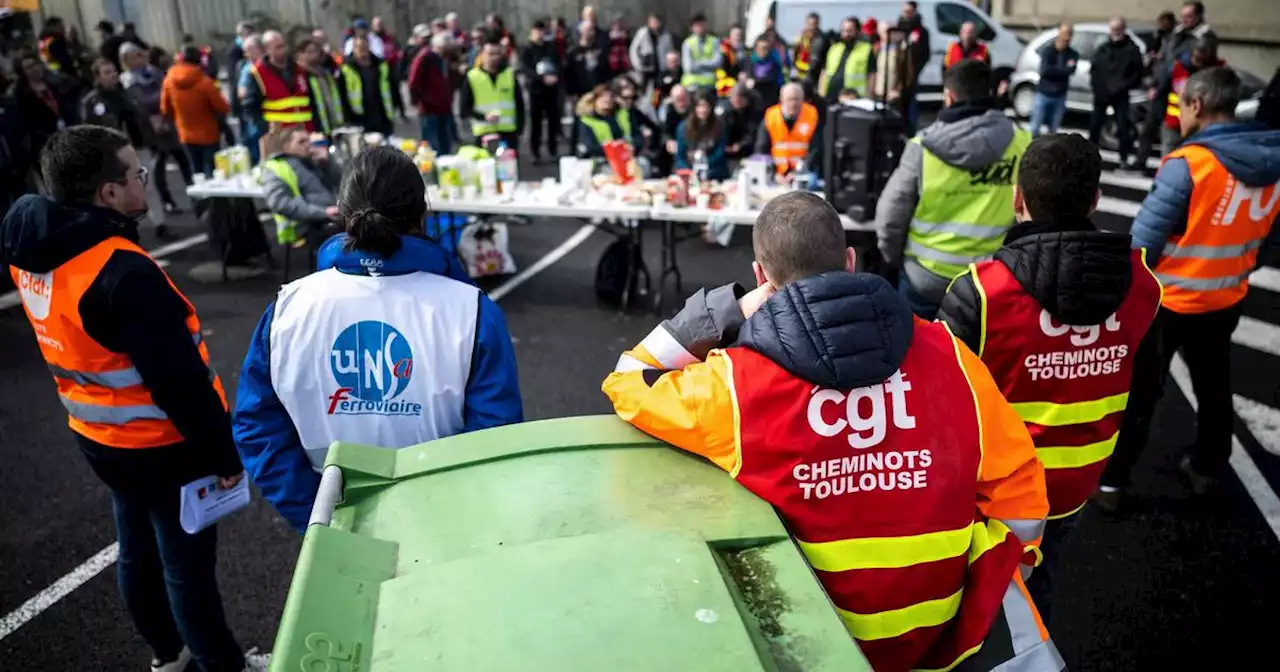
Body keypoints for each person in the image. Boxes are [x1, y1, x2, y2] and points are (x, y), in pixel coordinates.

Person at [602, 190, 1055, 672]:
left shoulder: (732, 386)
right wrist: (989, 584)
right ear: (850, 260)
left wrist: (730, 310)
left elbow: (629, 376)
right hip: (940, 638)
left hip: (813, 646)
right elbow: (1021, 489)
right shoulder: (952, 357)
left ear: (761, 276)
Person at [0, 125, 245, 672]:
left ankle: (166, 653)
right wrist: (223, 456)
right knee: (186, 571)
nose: (145, 182)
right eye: (136, 174)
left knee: (136, 550)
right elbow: (178, 382)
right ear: (107, 194)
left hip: (99, 438)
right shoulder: (123, 271)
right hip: (165, 446)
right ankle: (220, 665)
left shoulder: (34, 251)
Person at [234, 146, 523, 532]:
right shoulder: (472, 311)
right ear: (423, 212)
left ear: (340, 210)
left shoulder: (287, 308)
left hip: (330, 518)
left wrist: (314, 514)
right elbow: (495, 438)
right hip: (444, 522)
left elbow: (257, 427)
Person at [937, 134, 1161, 622]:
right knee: (1043, 584)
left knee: (974, 595)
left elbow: (940, 405)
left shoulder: (981, 291)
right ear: (1096, 200)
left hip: (994, 490)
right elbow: (1146, 392)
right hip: (1079, 478)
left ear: (1018, 200)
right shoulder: (1144, 285)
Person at [1097, 67, 1280, 511]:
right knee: (1215, 385)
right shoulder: (1271, 161)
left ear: (1196, 105)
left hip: (1170, 300)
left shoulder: (1190, 164)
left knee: (1143, 393)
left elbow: (1143, 242)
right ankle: (1208, 467)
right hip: (1226, 297)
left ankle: (1113, 482)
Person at [875, 59, 1030, 319]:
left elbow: (891, 215)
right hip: (989, 279)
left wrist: (894, 259)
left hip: (925, 276)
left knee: (917, 353)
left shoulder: (922, 147)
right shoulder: (1022, 143)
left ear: (949, 95)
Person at [121, 42, 192, 223]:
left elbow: (166, 91)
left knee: (182, 157)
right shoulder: (128, 80)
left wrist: (164, 111)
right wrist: (157, 108)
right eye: (135, 55)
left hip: (166, 120)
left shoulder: (154, 72)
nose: (141, 57)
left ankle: (194, 192)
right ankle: (167, 200)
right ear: (126, 61)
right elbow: (140, 101)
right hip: (149, 126)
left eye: (141, 53)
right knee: (158, 164)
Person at [260, 124, 341, 246]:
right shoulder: (276, 168)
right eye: (301, 142)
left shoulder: (311, 161)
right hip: (306, 224)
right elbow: (281, 204)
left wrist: (328, 163)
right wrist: (324, 212)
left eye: (308, 140)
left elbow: (342, 181)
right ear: (287, 146)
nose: (308, 145)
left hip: (331, 215)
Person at [160, 46, 230, 178]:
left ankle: (198, 198)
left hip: (185, 134)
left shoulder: (168, 80)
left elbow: (165, 108)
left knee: (196, 171)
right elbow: (223, 108)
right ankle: (215, 198)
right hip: (209, 134)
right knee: (213, 171)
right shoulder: (205, 82)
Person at [1089, 18, 1144, 171]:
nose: (1115, 33)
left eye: (1118, 29)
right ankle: (1089, 157)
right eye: (1113, 30)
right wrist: (1098, 88)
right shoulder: (1103, 48)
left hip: (1120, 94)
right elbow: (1094, 70)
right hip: (1102, 94)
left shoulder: (1131, 49)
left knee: (1123, 127)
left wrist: (1122, 86)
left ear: (1124, 29)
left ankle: (1123, 158)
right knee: (1095, 126)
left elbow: (1137, 73)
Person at [460, 35, 525, 148]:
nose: (494, 57)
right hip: (484, 132)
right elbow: (464, 109)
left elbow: (519, 104)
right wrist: (484, 116)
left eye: (497, 53)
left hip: (508, 132)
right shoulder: (472, 76)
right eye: (490, 54)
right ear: (482, 55)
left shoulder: (509, 74)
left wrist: (519, 129)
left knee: (509, 165)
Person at [244, 31, 315, 133]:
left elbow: (311, 99)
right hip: (280, 136)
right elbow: (250, 108)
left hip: (307, 131)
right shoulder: (258, 74)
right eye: (278, 47)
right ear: (267, 50)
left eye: (284, 46)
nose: (284, 50)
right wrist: (265, 128)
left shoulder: (299, 69)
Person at [340, 34, 400, 137]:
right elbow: (342, 95)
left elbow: (393, 87)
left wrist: (397, 106)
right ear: (353, 48)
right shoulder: (346, 68)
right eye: (358, 47)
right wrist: (347, 118)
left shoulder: (381, 65)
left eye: (364, 46)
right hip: (360, 118)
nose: (362, 50)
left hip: (382, 116)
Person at [755, 82, 819, 179]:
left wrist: (798, 172)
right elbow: (762, 148)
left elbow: (816, 148)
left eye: (797, 99)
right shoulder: (771, 116)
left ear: (802, 100)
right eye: (790, 99)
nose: (793, 103)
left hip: (802, 172)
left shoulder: (812, 115)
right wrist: (774, 173)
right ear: (782, 100)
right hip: (776, 172)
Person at [80, 58, 145, 148]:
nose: (113, 75)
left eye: (114, 71)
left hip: (133, 147)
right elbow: (88, 130)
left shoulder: (127, 95)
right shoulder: (91, 101)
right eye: (107, 72)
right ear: (98, 77)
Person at [521, 21, 562, 164]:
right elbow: (525, 69)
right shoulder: (527, 49)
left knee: (553, 122)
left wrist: (555, 76)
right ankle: (535, 152)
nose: (540, 34)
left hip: (551, 90)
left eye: (542, 31)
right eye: (537, 31)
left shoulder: (550, 47)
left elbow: (557, 63)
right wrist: (541, 78)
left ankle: (553, 150)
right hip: (535, 90)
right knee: (536, 123)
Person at [410, 32, 457, 154]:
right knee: (431, 145)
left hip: (444, 107)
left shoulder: (445, 59)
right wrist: (417, 100)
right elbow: (414, 80)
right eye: (446, 48)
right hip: (428, 108)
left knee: (445, 143)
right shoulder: (425, 57)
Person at [1029, 23, 1078, 137]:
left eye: (1070, 34)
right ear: (1059, 34)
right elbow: (1045, 71)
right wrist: (1062, 70)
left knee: (1053, 130)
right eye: (1065, 34)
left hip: (1060, 95)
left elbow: (1071, 71)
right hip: (1044, 93)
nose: (1067, 37)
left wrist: (1057, 71)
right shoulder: (1048, 51)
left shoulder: (1072, 54)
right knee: (1035, 128)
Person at [817, 17, 875, 103]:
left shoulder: (866, 49)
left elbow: (872, 75)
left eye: (849, 31)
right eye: (843, 31)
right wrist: (821, 93)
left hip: (854, 97)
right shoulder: (834, 48)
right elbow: (824, 72)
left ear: (857, 31)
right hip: (831, 95)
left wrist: (868, 96)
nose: (846, 34)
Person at [576, 84, 642, 159]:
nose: (607, 99)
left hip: (627, 158)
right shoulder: (587, 120)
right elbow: (591, 146)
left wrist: (632, 147)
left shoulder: (623, 114)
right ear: (595, 100)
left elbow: (637, 136)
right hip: (600, 160)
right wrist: (615, 150)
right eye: (603, 96)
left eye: (611, 96)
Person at [675, 90, 729, 180]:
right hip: (689, 171)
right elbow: (680, 156)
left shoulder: (719, 126)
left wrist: (705, 163)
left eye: (707, 106)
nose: (703, 110)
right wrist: (689, 172)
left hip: (713, 170)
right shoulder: (684, 127)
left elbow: (720, 152)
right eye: (700, 106)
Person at [298, 39, 346, 138]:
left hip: (335, 125)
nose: (314, 55)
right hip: (316, 128)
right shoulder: (302, 76)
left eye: (316, 51)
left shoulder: (326, 72)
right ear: (302, 54)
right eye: (309, 52)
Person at [897, 1, 931, 135]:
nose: (907, 15)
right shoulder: (897, 29)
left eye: (909, 12)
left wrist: (915, 70)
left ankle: (910, 132)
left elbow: (925, 54)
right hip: (897, 75)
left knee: (911, 105)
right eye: (905, 12)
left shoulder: (921, 32)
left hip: (912, 75)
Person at [234, 34, 265, 164]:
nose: (246, 53)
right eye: (245, 50)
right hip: (252, 114)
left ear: (259, 49)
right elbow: (241, 91)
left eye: (248, 50)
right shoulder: (246, 67)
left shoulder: (265, 66)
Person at [875, 24, 916, 118]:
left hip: (893, 97)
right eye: (885, 32)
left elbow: (908, 75)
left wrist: (898, 90)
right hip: (878, 95)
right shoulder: (877, 49)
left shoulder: (901, 51)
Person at [630, 13, 675, 93]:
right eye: (653, 22)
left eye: (656, 21)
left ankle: (655, 104)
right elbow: (633, 50)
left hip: (660, 69)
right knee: (643, 90)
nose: (655, 24)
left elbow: (670, 52)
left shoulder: (666, 35)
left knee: (657, 91)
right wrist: (638, 66)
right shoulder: (643, 33)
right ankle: (642, 104)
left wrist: (668, 67)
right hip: (645, 69)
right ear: (649, 22)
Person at [681, 13, 721, 93]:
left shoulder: (714, 41)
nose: (701, 28)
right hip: (691, 86)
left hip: (710, 85)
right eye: (698, 26)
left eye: (702, 25)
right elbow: (688, 67)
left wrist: (698, 63)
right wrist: (709, 64)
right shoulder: (687, 43)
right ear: (692, 28)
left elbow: (717, 63)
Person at [656, 84, 691, 176]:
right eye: (678, 100)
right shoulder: (668, 110)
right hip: (676, 145)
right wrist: (668, 140)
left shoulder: (694, 110)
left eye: (684, 99)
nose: (681, 103)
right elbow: (665, 131)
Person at [721, 84, 760, 161]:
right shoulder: (725, 111)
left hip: (747, 152)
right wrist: (724, 146)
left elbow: (753, 133)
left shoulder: (754, 111)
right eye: (734, 100)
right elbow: (720, 131)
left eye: (739, 100)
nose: (736, 103)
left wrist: (741, 145)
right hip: (725, 151)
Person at [746, 35, 786, 109]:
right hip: (753, 102)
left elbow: (770, 79)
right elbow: (748, 77)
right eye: (760, 48)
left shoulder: (774, 64)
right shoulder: (750, 62)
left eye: (765, 48)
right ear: (756, 49)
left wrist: (755, 82)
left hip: (769, 100)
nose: (762, 51)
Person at [791, 12, 826, 84]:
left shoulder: (820, 41)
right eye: (809, 24)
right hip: (798, 76)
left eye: (814, 24)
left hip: (812, 78)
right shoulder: (801, 37)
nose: (811, 27)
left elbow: (814, 64)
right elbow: (794, 56)